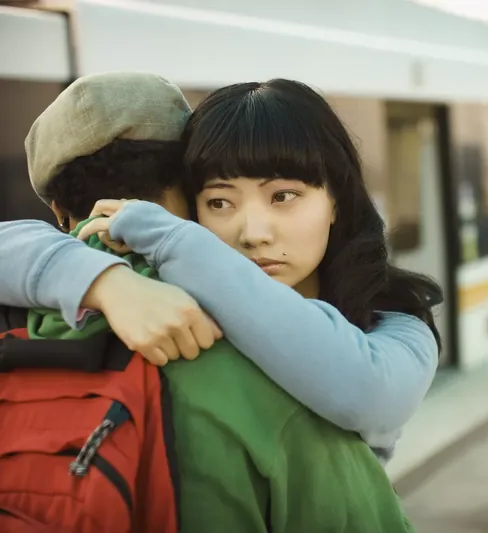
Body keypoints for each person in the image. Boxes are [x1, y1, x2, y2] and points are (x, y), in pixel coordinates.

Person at [0, 72, 418, 532]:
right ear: (187, 192)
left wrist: (132, 262)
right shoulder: (265, 390)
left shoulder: (21, 327)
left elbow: (367, 386)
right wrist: (109, 282)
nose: (254, 233)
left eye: (283, 196)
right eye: (220, 201)